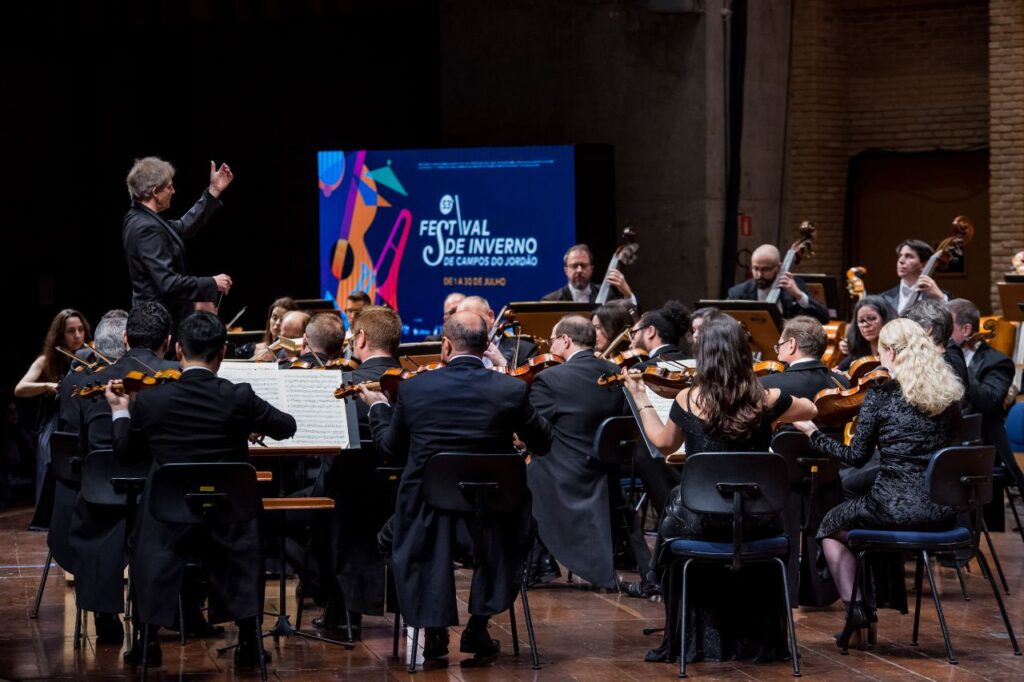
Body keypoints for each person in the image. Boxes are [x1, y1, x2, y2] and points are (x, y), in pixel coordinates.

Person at [105, 312, 297, 668]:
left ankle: (148, 643)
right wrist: (248, 427)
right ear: (222, 352)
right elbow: (287, 426)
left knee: (148, 533)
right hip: (227, 517)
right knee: (246, 531)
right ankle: (251, 643)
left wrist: (120, 412)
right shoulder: (238, 397)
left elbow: (127, 454)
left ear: (178, 349)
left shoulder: (150, 401)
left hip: (170, 517)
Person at [358, 311, 551, 662]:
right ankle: (478, 626)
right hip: (494, 518)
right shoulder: (512, 389)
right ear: (486, 346)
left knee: (391, 538)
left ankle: (433, 629)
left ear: (445, 346)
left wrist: (379, 410)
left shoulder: (415, 388)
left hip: (426, 517)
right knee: (520, 529)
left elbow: (390, 452)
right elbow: (543, 443)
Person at [623, 314, 816, 663]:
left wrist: (640, 396)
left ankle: (686, 632)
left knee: (670, 519)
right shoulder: (767, 399)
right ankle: (759, 643)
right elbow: (812, 408)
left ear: (705, 356)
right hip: (758, 520)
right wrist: (782, 413)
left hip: (701, 520)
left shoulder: (687, 399)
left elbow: (664, 444)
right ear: (743, 353)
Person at [793, 318, 964, 649]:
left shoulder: (881, 396)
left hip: (891, 507)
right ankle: (871, 600)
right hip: (942, 510)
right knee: (855, 518)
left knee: (829, 525)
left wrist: (813, 433)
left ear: (889, 352)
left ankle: (856, 609)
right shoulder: (949, 396)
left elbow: (855, 456)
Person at [70, 303, 178, 644]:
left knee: (97, 516)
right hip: (161, 495)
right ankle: (169, 615)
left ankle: (105, 616)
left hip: (102, 489)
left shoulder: (92, 379)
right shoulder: (176, 376)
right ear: (168, 342)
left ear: (127, 338)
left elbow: (82, 443)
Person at [527, 315, 648, 590]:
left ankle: (537, 564)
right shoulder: (614, 371)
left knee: (524, 471)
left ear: (566, 340)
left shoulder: (549, 379)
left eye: (552, 340)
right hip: (606, 471)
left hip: (564, 476)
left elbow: (533, 432)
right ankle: (541, 563)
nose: (550, 346)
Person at [308, 306, 403, 638]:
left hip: (344, 503)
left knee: (304, 508)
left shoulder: (340, 383)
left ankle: (336, 604)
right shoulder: (417, 383)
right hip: (400, 504)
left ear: (361, 338)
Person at [122, 157, 235, 329]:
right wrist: (212, 283)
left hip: (156, 319)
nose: (173, 191)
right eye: (169, 186)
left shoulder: (141, 218)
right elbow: (169, 283)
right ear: (154, 192)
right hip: (157, 325)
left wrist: (213, 191)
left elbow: (182, 227)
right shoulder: (146, 227)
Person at [948, 298, 1024, 518]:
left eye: (947, 326)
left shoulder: (997, 361)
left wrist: (959, 365)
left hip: (982, 448)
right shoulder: (943, 356)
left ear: (966, 330)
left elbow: (990, 400)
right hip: (952, 442)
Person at [16, 309, 92, 509]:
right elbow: (20, 389)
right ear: (60, 335)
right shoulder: (47, 360)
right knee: (50, 455)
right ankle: (49, 511)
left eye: (80, 330)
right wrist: (47, 386)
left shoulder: (91, 357)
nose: (77, 336)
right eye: (70, 331)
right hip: (55, 420)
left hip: (82, 417)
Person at [726, 244, 829, 323]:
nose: (759, 275)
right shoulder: (738, 293)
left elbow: (823, 318)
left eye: (765, 269)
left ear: (778, 268)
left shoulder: (794, 285)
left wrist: (798, 295)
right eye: (755, 268)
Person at [761, 316, 849, 400]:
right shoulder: (842, 381)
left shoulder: (765, 385)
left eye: (780, 344)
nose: (778, 351)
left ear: (792, 344)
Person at [902, 298, 969, 389]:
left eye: (911, 329)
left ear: (928, 330)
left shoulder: (947, 360)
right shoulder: (952, 352)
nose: (907, 336)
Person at [457, 295, 539, 367]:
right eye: (461, 322)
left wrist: (503, 363)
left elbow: (526, 384)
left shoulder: (526, 350)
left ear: (490, 316)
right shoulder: (453, 348)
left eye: (473, 319)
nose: (466, 327)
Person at [541, 244, 635, 303]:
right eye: (574, 266)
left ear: (591, 268)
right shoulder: (551, 301)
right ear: (566, 270)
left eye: (583, 265)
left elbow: (626, 320)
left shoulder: (607, 295)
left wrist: (627, 294)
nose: (579, 270)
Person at [879, 239, 949, 314]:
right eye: (900, 256)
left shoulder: (941, 296)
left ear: (924, 265)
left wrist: (940, 298)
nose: (901, 261)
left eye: (909, 256)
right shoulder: (882, 299)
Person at [835, 296, 897, 372]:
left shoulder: (897, 352)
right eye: (861, 321)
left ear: (885, 319)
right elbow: (836, 372)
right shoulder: (858, 354)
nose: (866, 324)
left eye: (871, 318)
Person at [629, 300, 692, 368]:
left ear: (650, 331)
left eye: (633, 335)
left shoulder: (643, 368)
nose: (630, 345)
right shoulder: (695, 363)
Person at [251, 296, 299, 361]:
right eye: (274, 317)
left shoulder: (293, 352)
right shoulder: (254, 348)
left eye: (282, 319)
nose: (277, 323)